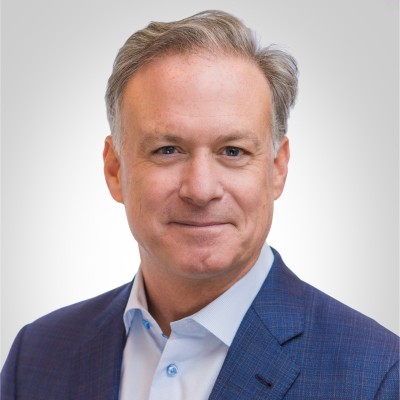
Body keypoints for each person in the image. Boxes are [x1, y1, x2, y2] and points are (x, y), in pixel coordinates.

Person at [1, 10, 398, 400]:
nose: (201, 190)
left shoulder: (378, 377)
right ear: (115, 169)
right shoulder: (36, 356)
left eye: (233, 151)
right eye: (168, 150)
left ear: (277, 169)